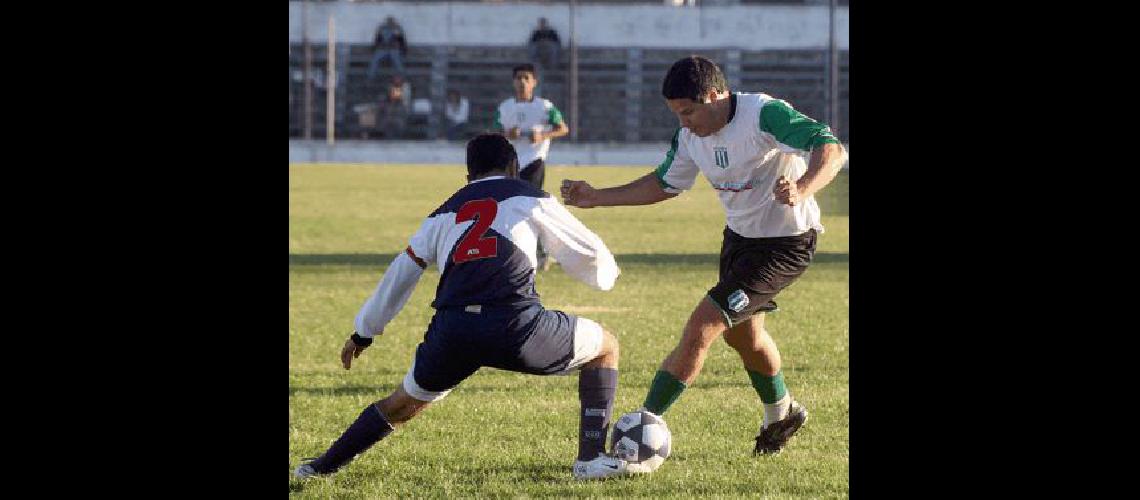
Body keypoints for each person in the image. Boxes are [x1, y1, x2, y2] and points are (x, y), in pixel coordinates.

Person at [294, 134, 630, 481]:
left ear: (468, 177)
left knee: (402, 404)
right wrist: (606, 275)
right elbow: (587, 251)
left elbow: (402, 273)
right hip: (515, 326)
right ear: (514, 165)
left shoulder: (443, 212)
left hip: (454, 331)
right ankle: (590, 458)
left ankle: (319, 468)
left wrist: (364, 332)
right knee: (605, 348)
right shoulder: (529, 196)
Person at [560, 56, 848, 457]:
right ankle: (781, 412)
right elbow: (664, 183)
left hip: (784, 244)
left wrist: (802, 186)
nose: (684, 122)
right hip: (739, 242)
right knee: (744, 336)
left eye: (689, 111)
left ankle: (640, 429)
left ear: (716, 95)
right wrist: (596, 198)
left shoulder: (763, 113)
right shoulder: (690, 138)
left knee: (703, 327)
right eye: (677, 114)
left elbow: (830, 149)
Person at [494, 64, 569, 270]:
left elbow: (562, 128)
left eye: (527, 78)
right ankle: (520, 251)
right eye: (518, 78)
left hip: (534, 162)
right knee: (512, 208)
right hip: (511, 164)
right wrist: (506, 135)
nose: (522, 82)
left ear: (534, 82)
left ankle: (541, 252)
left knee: (529, 207)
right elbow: (494, 132)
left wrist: (543, 136)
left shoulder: (545, 107)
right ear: (513, 81)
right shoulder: (505, 107)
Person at [367, 16, 407, 80]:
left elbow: (402, 40)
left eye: (391, 22)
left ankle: (402, 77)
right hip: (383, 49)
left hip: (394, 50)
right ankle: (370, 77)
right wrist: (374, 48)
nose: (390, 23)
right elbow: (377, 39)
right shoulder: (382, 29)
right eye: (388, 22)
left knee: (397, 60)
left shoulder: (397, 29)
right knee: (375, 59)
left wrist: (404, 50)